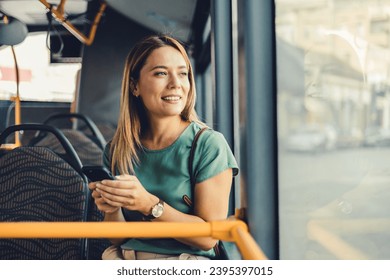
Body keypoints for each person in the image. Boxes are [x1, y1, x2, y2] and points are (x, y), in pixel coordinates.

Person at [88, 34, 239, 260]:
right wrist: (111, 209)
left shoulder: (208, 145)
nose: (176, 84)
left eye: (182, 73)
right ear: (134, 85)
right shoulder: (117, 150)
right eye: (161, 73)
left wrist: (148, 204)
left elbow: (208, 238)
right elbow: (118, 237)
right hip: (125, 257)